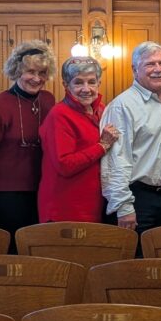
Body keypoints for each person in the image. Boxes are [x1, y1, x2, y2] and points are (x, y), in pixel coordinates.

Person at [0, 40, 56, 242]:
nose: (36, 78)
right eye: (30, 72)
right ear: (17, 71)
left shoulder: (48, 100)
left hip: (41, 193)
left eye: (42, 73)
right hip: (5, 197)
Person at [100, 41, 161, 235]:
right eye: (150, 64)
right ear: (135, 70)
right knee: (136, 264)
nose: (158, 69)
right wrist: (123, 206)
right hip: (136, 200)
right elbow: (116, 161)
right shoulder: (123, 106)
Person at [37, 56, 119, 223]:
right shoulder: (59, 115)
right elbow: (64, 165)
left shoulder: (102, 110)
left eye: (91, 82)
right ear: (66, 85)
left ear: (99, 83)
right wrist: (102, 146)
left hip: (96, 205)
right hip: (65, 207)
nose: (86, 88)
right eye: (78, 82)